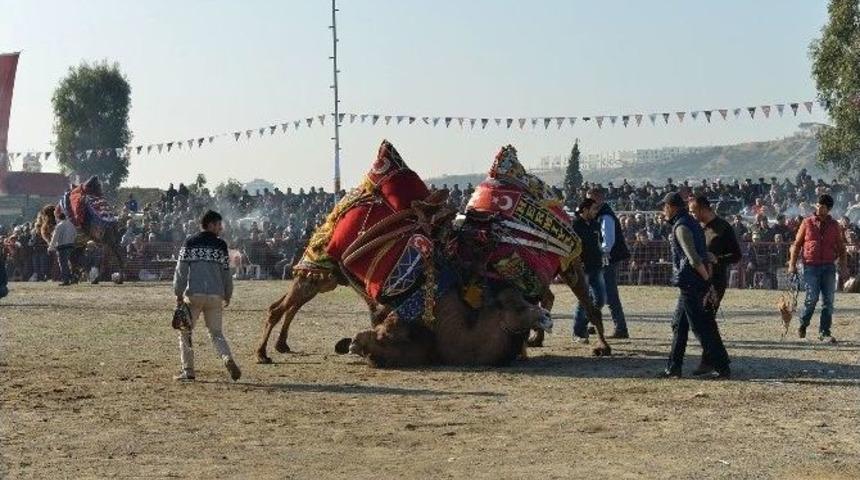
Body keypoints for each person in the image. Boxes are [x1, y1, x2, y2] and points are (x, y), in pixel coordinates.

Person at [659, 192, 730, 379]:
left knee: (701, 327)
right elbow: (702, 253)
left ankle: (722, 366)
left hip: (692, 283)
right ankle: (673, 367)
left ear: (672, 207)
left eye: (664, 207)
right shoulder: (690, 223)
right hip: (691, 284)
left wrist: (707, 280)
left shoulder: (681, 227)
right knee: (679, 325)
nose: (663, 211)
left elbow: (694, 259)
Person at [172, 210, 241, 382]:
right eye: (218, 224)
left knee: (185, 331)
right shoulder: (221, 246)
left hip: (194, 294)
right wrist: (228, 294)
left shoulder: (190, 242)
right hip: (215, 295)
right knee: (217, 333)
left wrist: (178, 293)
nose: (221, 228)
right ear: (210, 225)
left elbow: (181, 271)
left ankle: (188, 371)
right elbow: (227, 273)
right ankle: (227, 358)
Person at [689, 196, 740, 376]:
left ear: (704, 209)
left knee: (707, 319)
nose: (692, 214)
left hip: (715, 281)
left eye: (694, 211)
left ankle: (711, 360)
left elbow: (736, 255)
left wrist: (718, 259)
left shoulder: (724, 228)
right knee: (701, 320)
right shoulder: (697, 227)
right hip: (698, 279)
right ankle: (712, 359)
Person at [787, 194, 847, 343]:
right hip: (810, 266)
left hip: (828, 266)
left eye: (823, 206)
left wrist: (843, 266)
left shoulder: (835, 226)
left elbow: (841, 247)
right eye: (818, 205)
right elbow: (797, 244)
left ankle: (824, 332)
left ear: (829, 209)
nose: (819, 208)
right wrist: (792, 264)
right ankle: (803, 323)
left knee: (828, 301)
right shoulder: (807, 223)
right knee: (812, 298)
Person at [586, 187, 630, 338]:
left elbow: (608, 242)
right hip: (604, 259)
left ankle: (620, 328)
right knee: (596, 293)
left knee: (609, 294)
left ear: (598, 199)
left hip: (607, 259)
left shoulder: (605, 216)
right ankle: (592, 323)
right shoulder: (599, 214)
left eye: (590, 199)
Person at [570, 198, 605, 342]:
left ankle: (585, 323)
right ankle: (578, 332)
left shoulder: (596, 225)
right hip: (582, 268)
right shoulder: (575, 225)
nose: (596, 212)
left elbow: (599, 243)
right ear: (585, 210)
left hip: (596, 266)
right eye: (593, 209)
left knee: (600, 299)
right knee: (583, 299)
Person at [48, 211, 77, 286]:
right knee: (69, 263)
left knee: (63, 264)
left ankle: (66, 280)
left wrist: (50, 247)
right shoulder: (71, 225)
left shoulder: (59, 226)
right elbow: (75, 234)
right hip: (71, 246)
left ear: (58, 218)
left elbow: (55, 237)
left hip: (62, 246)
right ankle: (72, 277)